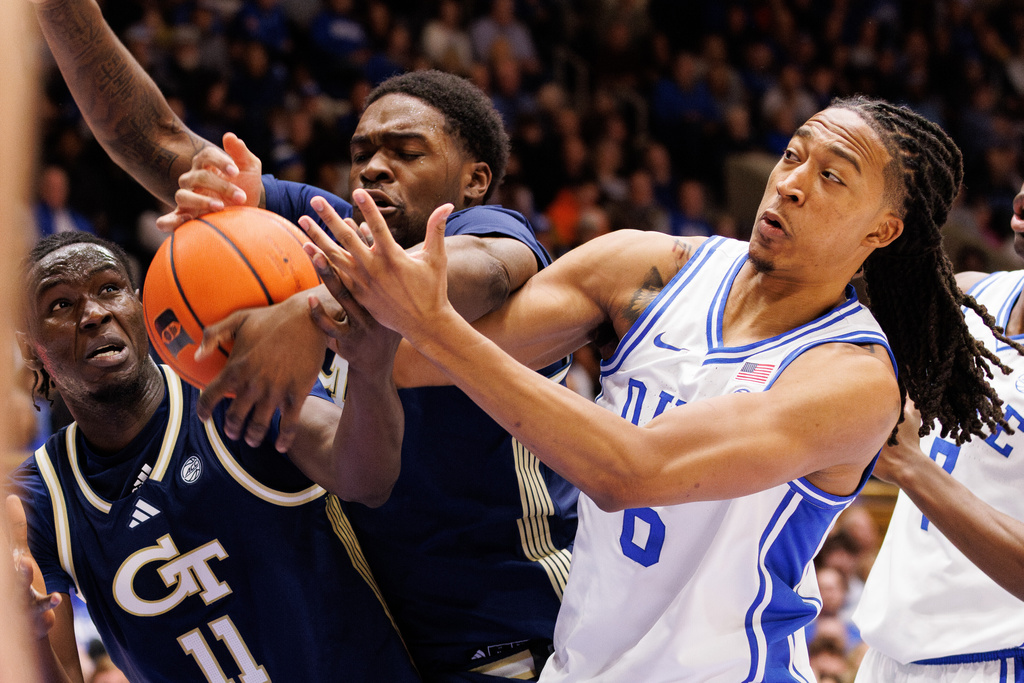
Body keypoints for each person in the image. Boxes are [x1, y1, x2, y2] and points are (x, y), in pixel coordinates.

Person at [300, 97, 1015, 681]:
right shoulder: (646, 267)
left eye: (834, 177)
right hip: (583, 663)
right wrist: (288, 279)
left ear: (882, 229)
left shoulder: (852, 378)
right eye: (794, 154)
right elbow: (409, 362)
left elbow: (631, 471)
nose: (792, 181)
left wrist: (433, 325)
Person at [32, 1, 576, 679]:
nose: (375, 167)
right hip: (415, 654)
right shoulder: (327, 232)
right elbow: (151, 138)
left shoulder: (488, 233)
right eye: (362, 153)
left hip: (531, 639)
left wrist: (310, 311)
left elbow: (465, 277)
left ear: (473, 177)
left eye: (406, 151)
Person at [8, 231, 418, 682]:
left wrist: (372, 369)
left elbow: (369, 480)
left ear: (141, 308)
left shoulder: (232, 384)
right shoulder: (37, 498)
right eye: (60, 305)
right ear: (31, 350)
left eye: (109, 288)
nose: (93, 313)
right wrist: (29, 633)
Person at [852, 181, 1024, 682]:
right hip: (888, 649)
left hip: (995, 658)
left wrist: (910, 466)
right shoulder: (970, 295)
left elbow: (909, 463)